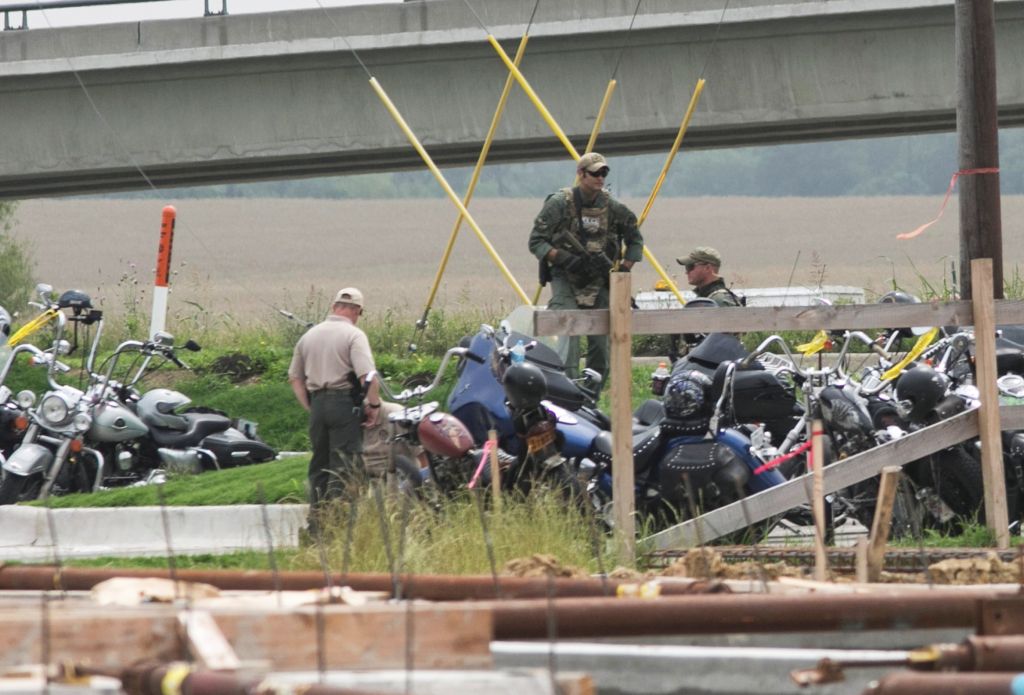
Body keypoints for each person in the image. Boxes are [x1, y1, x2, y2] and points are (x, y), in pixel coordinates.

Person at [529, 152, 644, 385]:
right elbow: (536, 242)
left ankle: (592, 395)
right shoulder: (559, 204)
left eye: (604, 173)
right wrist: (563, 257)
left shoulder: (613, 207)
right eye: (595, 173)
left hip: (599, 280)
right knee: (569, 328)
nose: (600, 178)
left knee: (601, 343)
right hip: (565, 277)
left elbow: (635, 241)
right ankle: (568, 390)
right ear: (581, 174)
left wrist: (622, 270)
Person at [288, 287, 381, 535]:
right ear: (357, 311)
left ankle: (316, 525)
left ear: (334, 307)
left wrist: (311, 406)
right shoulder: (354, 335)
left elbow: (294, 378)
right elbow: (367, 375)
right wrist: (374, 405)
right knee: (345, 465)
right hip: (344, 405)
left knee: (319, 465)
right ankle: (340, 527)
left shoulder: (308, 336)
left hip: (318, 404)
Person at [676, 246, 742, 307]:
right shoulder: (707, 298)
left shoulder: (718, 300)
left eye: (690, 267)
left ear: (707, 268)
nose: (687, 272)